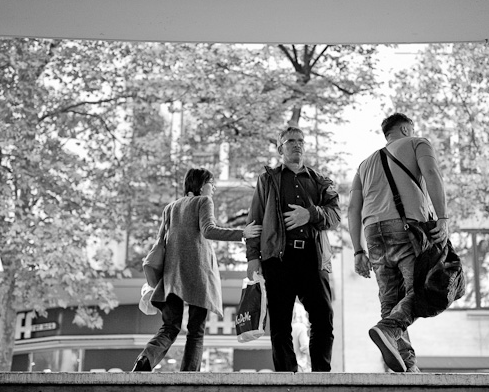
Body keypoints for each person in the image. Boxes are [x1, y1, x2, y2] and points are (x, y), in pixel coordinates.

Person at [132, 168, 262, 372]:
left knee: (170, 326)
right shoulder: (203, 202)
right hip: (198, 275)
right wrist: (242, 234)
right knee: (195, 331)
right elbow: (208, 230)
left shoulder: (170, 207)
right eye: (212, 183)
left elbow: (160, 243)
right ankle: (189, 375)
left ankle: (145, 359)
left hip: (171, 276)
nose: (214, 188)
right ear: (201, 185)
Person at [347, 113, 448, 373]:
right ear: (405, 129)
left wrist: (358, 251)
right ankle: (388, 329)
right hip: (405, 228)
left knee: (390, 302)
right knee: (423, 289)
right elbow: (432, 174)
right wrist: (442, 218)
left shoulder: (364, 165)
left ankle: (408, 367)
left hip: (373, 234)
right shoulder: (417, 143)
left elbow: (352, 209)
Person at [245, 126, 340, 372]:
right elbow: (254, 221)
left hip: (313, 257)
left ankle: (321, 375)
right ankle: (287, 377)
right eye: (290, 141)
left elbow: (335, 215)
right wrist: (252, 258)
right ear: (280, 149)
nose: (297, 144)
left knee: (323, 319)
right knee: (279, 323)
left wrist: (309, 214)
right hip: (278, 259)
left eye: (300, 141)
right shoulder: (267, 179)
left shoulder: (321, 181)